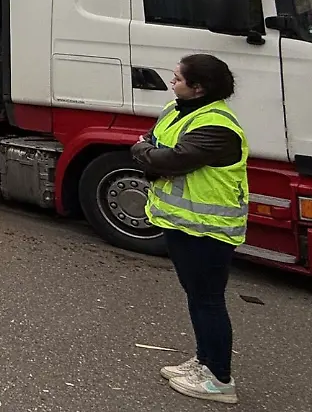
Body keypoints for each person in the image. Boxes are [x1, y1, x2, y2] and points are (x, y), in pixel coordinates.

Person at [130, 53, 247, 405]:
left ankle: (220, 380)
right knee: (197, 298)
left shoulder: (216, 125)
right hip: (181, 223)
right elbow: (151, 145)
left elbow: (169, 159)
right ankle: (204, 361)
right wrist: (148, 153)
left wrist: (145, 153)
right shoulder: (177, 110)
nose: (172, 82)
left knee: (208, 300)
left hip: (209, 230)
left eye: (178, 78)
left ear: (199, 88)